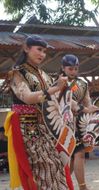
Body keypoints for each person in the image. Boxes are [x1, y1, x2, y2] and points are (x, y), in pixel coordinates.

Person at [4, 35, 73, 189]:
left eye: (44, 51)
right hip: (27, 126)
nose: (42, 54)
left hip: (46, 125)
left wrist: (79, 107)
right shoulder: (16, 73)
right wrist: (55, 88)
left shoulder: (44, 74)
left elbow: (55, 97)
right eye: (39, 49)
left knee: (58, 162)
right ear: (26, 48)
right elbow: (28, 97)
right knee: (42, 165)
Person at [60, 54, 99, 190]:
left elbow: (87, 99)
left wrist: (91, 108)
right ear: (63, 68)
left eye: (76, 69)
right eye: (70, 69)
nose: (73, 71)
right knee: (72, 156)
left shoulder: (82, 83)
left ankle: (67, 185)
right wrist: (85, 109)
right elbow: (68, 101)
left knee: (77, 154)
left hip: (79, 123)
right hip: (63, 123)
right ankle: (80, 186)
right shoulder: (59, 82)